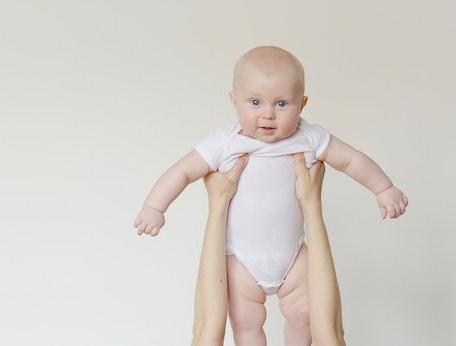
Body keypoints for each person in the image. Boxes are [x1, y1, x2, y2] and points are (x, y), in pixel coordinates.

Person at [135, 45, 407, 345]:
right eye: (255, 102)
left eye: (281, 103)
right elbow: (182, 171)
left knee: (305, 314)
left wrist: (383, 188)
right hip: (239, 259)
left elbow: (352, 161)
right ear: (233, 101)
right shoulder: (224, 143)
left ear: (302, 104)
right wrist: (154, 206)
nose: (268, 114)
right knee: (244, 322)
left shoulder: (309, 137)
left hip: (293, 256)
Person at [191, 153, 345, 346]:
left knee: (246, 319)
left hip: (261, 259)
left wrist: (218, 205)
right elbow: (330, 336)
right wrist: (311, 204)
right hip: (264, 258)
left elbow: (205, 333)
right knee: (297, 315)